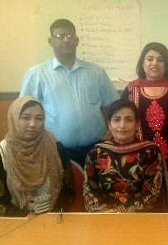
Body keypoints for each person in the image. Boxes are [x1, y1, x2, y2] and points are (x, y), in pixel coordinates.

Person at [19, 18, 119, 166]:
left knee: (96, 188)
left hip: (97, 148)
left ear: (76, 41)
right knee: (62, 189)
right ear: (50, 41)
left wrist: (111, 134)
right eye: (59, 36)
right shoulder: (37, 74)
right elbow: (24, 114)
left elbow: (111, 107)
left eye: (69, 36)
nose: (65, 40)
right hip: (55, 150)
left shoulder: (96, 72)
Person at [121, 42, 168, 212]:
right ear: (142, 63)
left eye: (160, 60)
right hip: (139, 158)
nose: (154, 63)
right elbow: (122, 124)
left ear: (167, 64)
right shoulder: (130, 89)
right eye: (149, 59)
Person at [83, 99, 168, 213]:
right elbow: (90, 193)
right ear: (109, 124)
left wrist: (125, 215)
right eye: (116, 120)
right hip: (104, 218)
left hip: (140, 218)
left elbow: (152, 194)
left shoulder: (150, 152)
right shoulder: (96, 153)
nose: (122, 125)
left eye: (129, 120)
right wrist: (109, 214)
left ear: (137, 124)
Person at [0, 97, 74, 216]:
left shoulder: (55, 146)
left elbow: (68, 190)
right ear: (14, 118)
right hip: (16, 223)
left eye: (39, 118)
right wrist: (22, 216)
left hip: (53, 219)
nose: (33, 124)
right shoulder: (3, 152)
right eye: (26, 118)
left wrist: (55, 214)